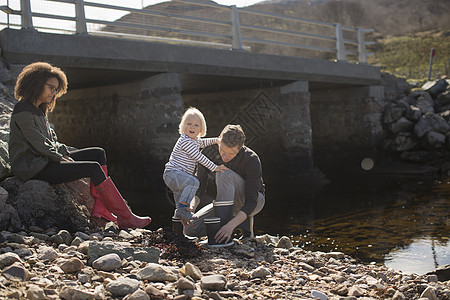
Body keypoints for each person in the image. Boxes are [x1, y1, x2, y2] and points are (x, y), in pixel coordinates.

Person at [8, 62, 151, 229]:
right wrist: (60, 157)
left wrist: (63, 151)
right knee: (93, 168)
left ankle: (100, 208)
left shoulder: (40, 109)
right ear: (36, 83)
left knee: (98, 153)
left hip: (45, 160)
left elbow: (51, 140)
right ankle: (125, 217)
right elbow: (38, 142)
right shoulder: (22, 110)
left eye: (56, 90)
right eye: (51, 88)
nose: (54, 93)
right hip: (32, 167)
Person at [184, 124, 265, 244]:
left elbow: (251, 201)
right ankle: (236, 226)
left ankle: (225, 234)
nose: (225, 156)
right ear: (219, 141)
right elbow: (199, 187)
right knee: (190, 229)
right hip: (225, 203)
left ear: (240, 147)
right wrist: (191, 208)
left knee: (222, 172)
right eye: (222, 150)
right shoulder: (207, 153)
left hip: (254, 201)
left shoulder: (251, 159)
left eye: (231, 153)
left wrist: (229, 226)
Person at [163, 107, 227, 223]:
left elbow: (202, 143)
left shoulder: (194, 140)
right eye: (189, 124)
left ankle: (180, 232)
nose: (192, 127)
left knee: (180, 209)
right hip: (173, 174)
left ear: (201, 129)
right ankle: (183, 211)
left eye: (196, 125)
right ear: (183, 126)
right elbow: (199, 157)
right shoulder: (185, 141)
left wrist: (216, 140)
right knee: (194, 182)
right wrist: (215, 167)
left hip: (180, 179)